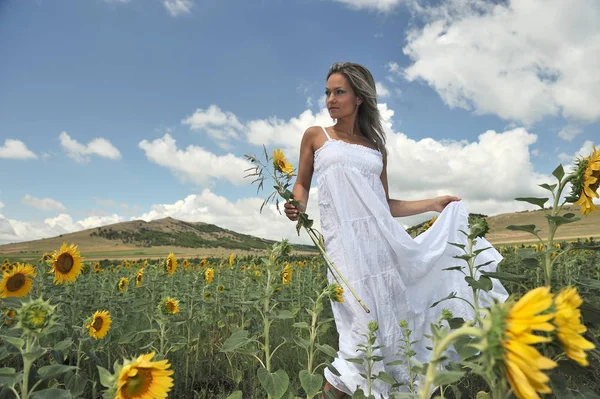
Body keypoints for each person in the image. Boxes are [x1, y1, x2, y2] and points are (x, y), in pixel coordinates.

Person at [284, 62, 508, 397]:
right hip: (345, 254)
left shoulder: (375, 148)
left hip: (382, 250)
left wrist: (433, 204)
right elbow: (301, 184)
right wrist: (295, 206)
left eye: (339, 92)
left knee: (388, 335)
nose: (331, 99)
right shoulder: (317, 136)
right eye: (328, 92)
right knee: (359, 339)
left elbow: (385, 205)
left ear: (359, 97)